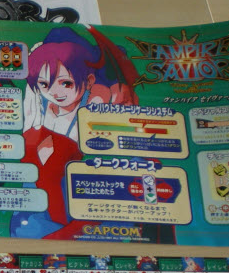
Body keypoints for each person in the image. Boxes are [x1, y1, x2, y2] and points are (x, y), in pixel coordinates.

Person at [11, 27, 138, 238]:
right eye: (44, 84)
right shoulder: (38, 108)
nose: (55, 92)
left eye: (66, 83)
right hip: (37, 211)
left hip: (75, 206)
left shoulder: (99, 103)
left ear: (89, 81)